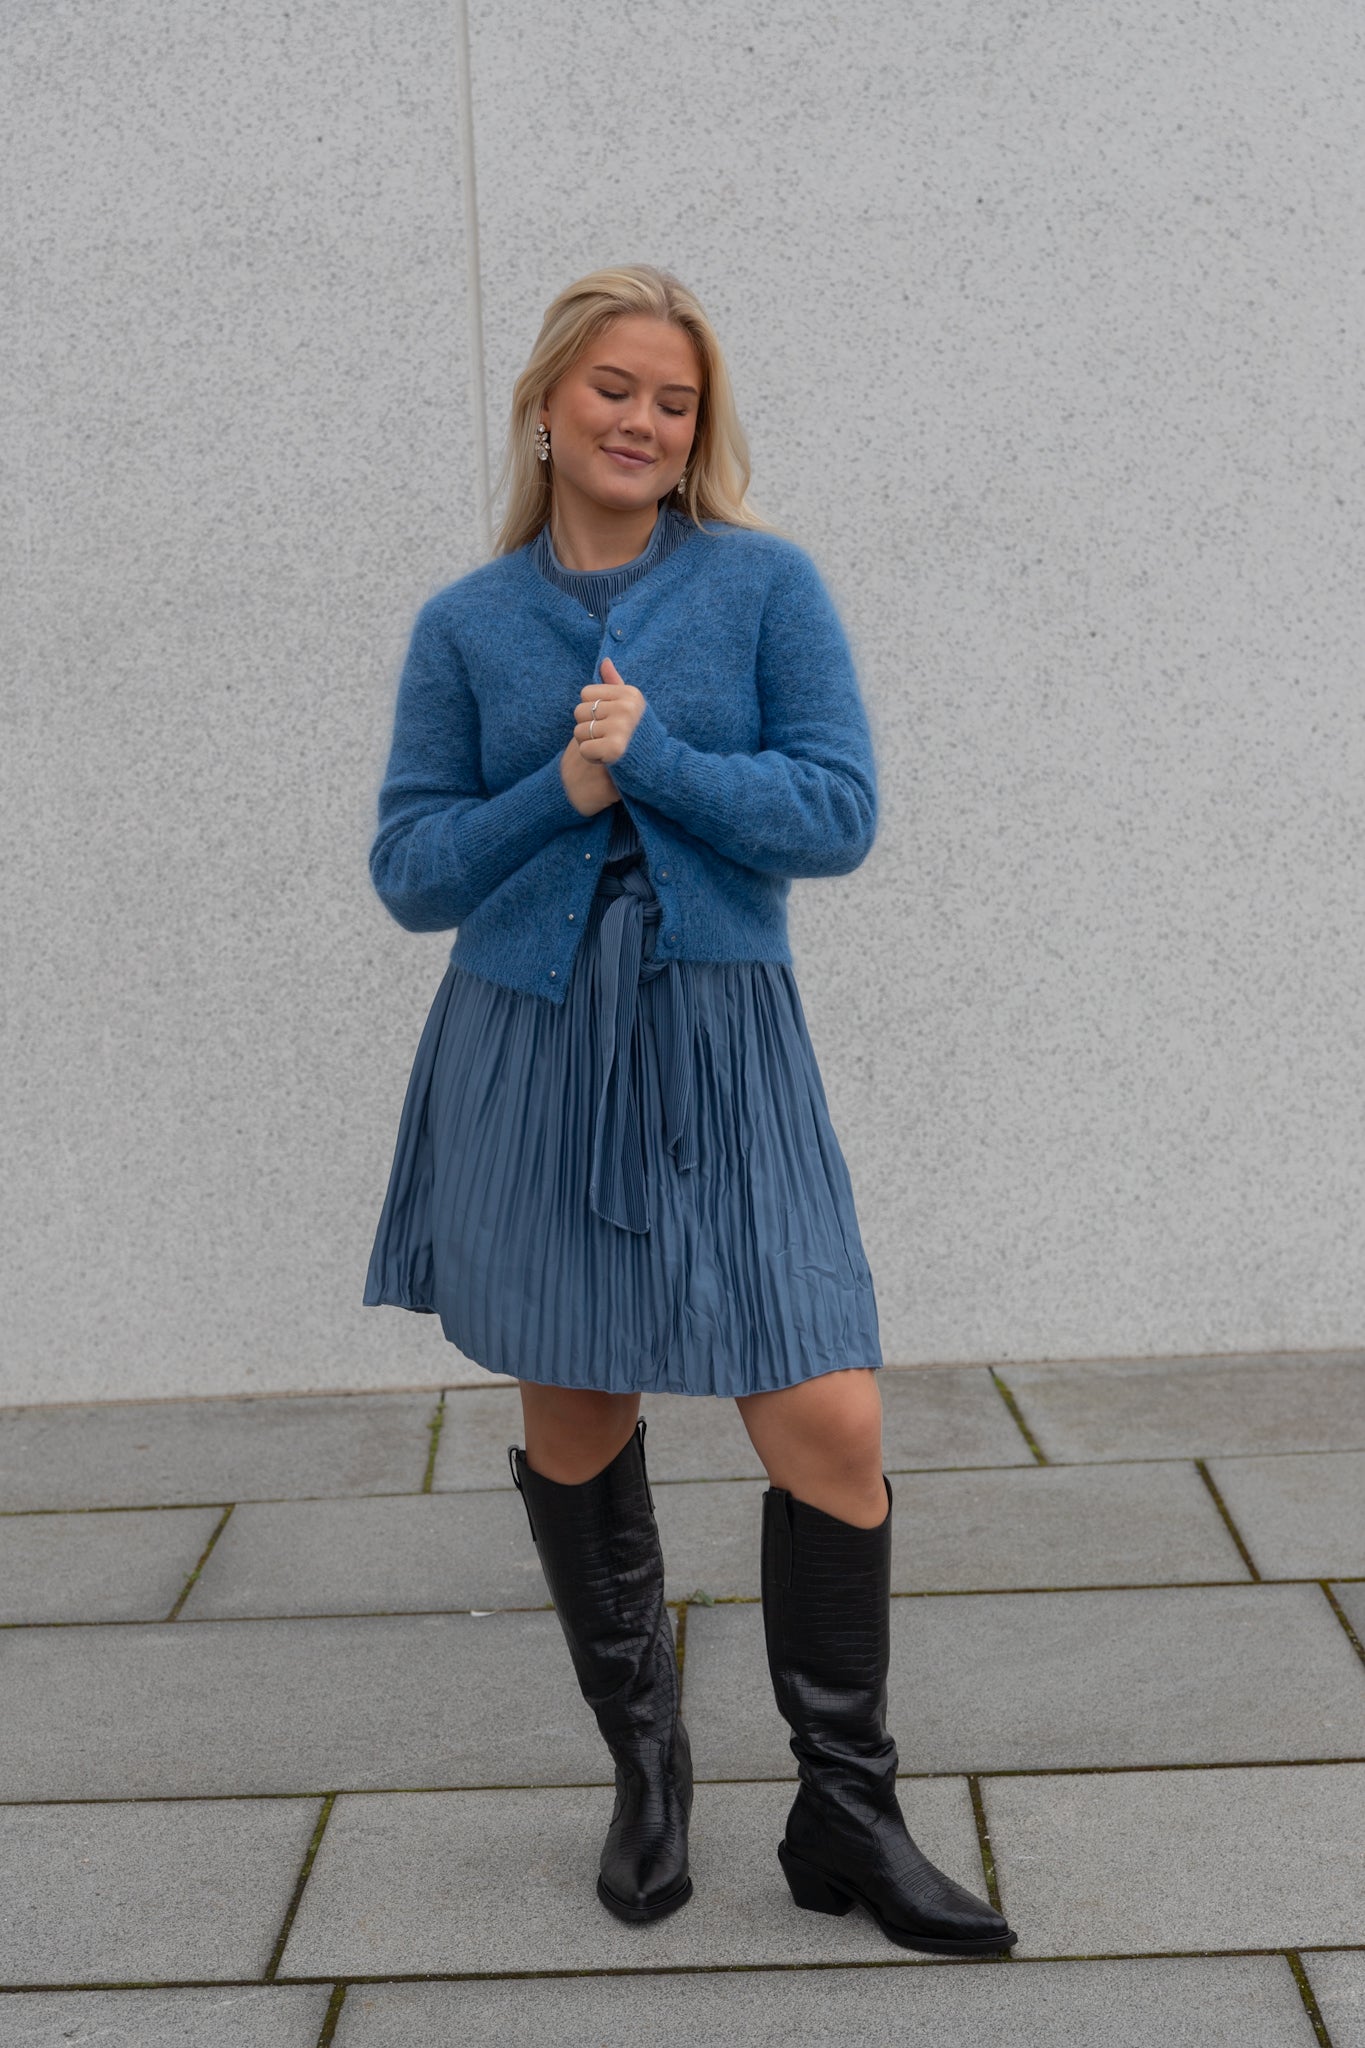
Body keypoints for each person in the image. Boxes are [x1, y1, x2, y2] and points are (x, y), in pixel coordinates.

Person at [363, 264, 1017, 1960]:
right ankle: (647, 1767)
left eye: (674, 400)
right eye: (615, 390)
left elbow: (837, 813)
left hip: (720, 1036)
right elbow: (411, 871)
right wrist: (560, 786)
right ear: (546, 406)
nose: (643, 421)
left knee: (830, 1415)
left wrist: (651, 760)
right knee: (577, 1408)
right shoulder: (466, 623)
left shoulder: (762, 586)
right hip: (531, 1047)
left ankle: (845, 1807)